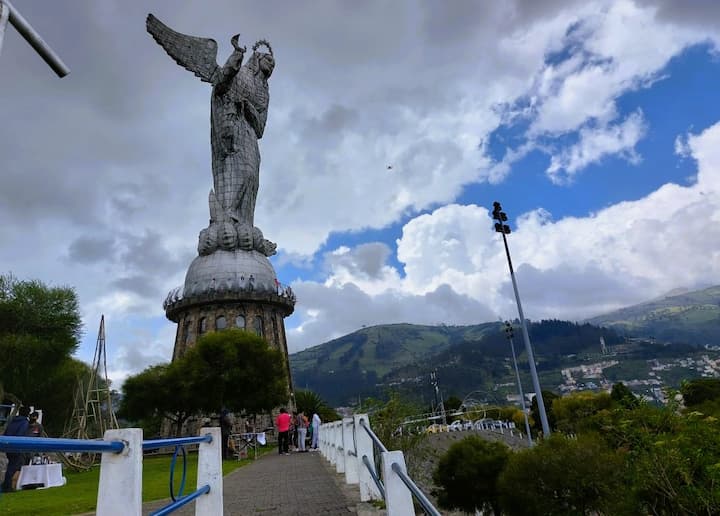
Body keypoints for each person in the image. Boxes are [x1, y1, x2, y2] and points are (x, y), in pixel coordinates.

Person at [2, 406, 30, 492]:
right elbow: (21, 434)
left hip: (9, 445)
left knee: (11, 465)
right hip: (17, 447)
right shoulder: (24, 422)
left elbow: (6, 432)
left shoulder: (12, 421)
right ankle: (7, 486)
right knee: (14, 466)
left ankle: (7, 485)